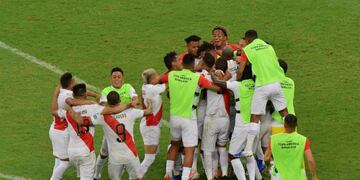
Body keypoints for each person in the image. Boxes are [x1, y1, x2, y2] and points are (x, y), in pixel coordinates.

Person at [53, 84, 130, 180]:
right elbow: (111, 109)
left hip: (71, 152)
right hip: (86, 152)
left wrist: (55, 95)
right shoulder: (93, 107)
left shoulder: (68, 111)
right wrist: (128, 106)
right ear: (85, 94)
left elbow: (55, 111)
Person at [162, 54, 221, 180]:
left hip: (174, 117)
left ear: (182, 63)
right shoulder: (197, 78)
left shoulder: (172, 74)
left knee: (174, 145)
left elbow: (158, 80)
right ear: (193, 64)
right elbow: (215, 88)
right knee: (190, 150)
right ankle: (185, 177)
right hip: (189, 118)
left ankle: (167, 173)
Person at [74, 91, 153, 180]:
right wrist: (149, 103)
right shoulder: (130, 111)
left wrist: (71, 110)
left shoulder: (102, 117)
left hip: (115, 159)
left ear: (107, 102)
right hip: (131, 155)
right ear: (119, 101)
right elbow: (149, 111)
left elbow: (82, 121)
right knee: (140, 178)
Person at [237, 30, 288, 156]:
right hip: (276, 83)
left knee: (255, 117)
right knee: (284, 113)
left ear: (248, 40)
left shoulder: (247, 49)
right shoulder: (269, 47)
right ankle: (292, 136)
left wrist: (238, 78)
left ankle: (248, 149)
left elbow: (241, 69)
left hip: (262, 86)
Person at [211, 65, 258, 180]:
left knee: (232, 155)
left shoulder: (237, 85)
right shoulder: (258, 85)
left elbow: (218, 82)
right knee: (249, 153)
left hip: (242, 122)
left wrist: (210, 72)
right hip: (256, 123)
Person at [50, 73, 97, 180]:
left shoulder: (63, 91)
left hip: (57, 128)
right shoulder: (68, 96)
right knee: (66, 162)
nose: (75, 82)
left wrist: (94, 95)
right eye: (74, 81)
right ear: (71, 83)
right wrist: (92, 102)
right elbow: (76, 98)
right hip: (62, 131)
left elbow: (79, 94)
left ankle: (79, 175)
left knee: (60, 159)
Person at [94, 67, 138, 180]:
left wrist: (119, 107)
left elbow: (135, 101)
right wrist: (124, 107)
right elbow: (104, 106)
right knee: (104, 153)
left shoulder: (128, 87)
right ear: (110, 79)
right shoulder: (106, 91)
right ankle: (96, 174)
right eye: (114, 77)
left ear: (123, 78)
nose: (117, 79)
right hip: (111, 128)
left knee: (127, 150)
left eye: (119, 77)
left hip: (126, 127)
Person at [200, 53, 229, 180]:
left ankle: (210, 177)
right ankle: (224, 174)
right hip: (225, 119)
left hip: (212, 118)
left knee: (207, 150)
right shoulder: (227, 77)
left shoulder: (206, 76)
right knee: (222, 147)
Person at [265, 115, 318, 180]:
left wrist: (268, 166)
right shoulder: (303, 140)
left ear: (284, 125)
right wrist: (314, 176)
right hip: (298, 177)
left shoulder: (273, 139)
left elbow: (266, 158)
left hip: (278, 177)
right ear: (296, 125)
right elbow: (310, 160)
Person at [139, 68, 167, 177]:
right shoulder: (152, 89)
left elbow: (161, 80)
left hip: (149, 124)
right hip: (151, 126)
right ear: (151, 79)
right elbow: (167, 84)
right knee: (150, 158)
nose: (158, 76)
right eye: (156, 76)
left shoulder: (146, 86)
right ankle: (137, 176)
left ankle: (140, 175)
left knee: (155, 152)